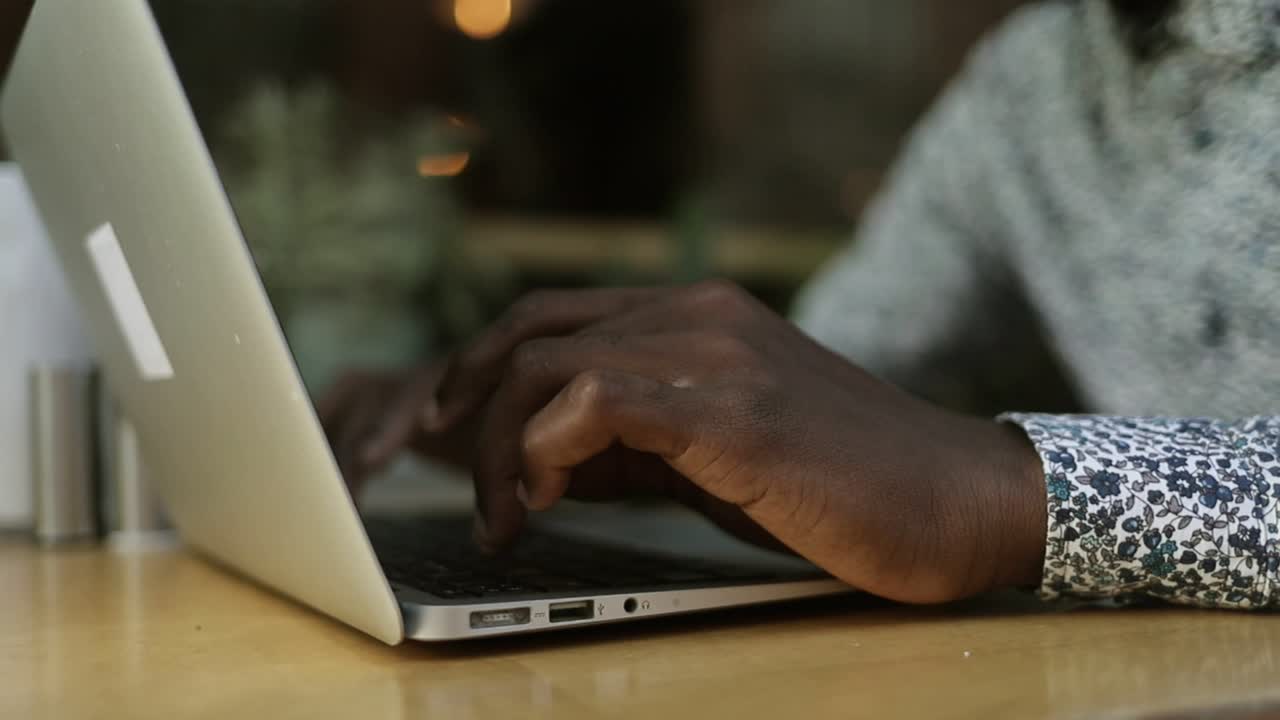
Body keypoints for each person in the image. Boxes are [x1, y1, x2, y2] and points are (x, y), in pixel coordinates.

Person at [321, 0, 1280, 609]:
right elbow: (834, 376)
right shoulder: (1033, 79)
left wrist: (1011, 493)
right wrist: (643, 408)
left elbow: (946, 482)